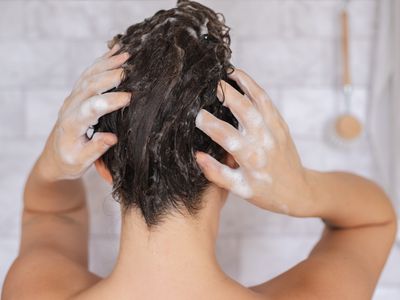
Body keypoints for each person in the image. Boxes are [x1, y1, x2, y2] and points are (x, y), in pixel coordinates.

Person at [2, 1, 397, 299]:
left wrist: (54, 164)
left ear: (101, 165)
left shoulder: (33, 290)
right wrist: (300, 190)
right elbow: (373, 220)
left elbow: (50, 212)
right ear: (233, 161)